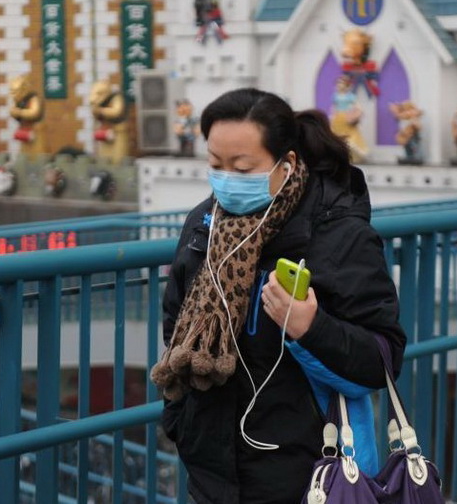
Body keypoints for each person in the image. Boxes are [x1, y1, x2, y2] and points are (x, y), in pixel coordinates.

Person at [150, 88, 405, 504]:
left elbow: (383, 359)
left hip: (309, 473)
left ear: (286, 164)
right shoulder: (204, 226)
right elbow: (175, 326)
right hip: (212, 470)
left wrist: (311, 328)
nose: (226, 179)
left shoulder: (338, 234)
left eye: (243, 166)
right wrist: (182, 424)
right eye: (216, 165)